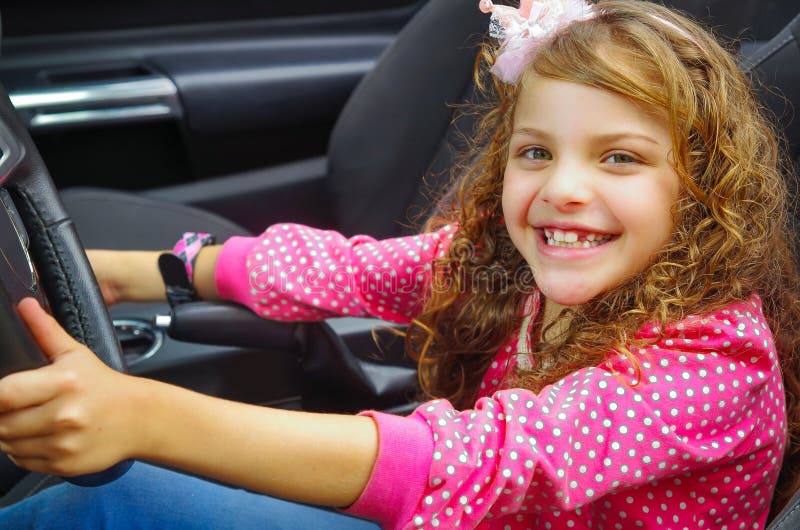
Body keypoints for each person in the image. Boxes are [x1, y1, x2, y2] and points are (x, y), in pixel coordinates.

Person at [2, 0, 799, 528]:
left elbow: (469, 462)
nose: (562, 188)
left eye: (619, 157)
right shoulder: (512, 263)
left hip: (457, 499)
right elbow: (356, 272)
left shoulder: (714, 364)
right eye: (535, 152)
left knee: (109, 506)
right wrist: (137, 273)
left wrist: (142, 415)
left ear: (703, 191)